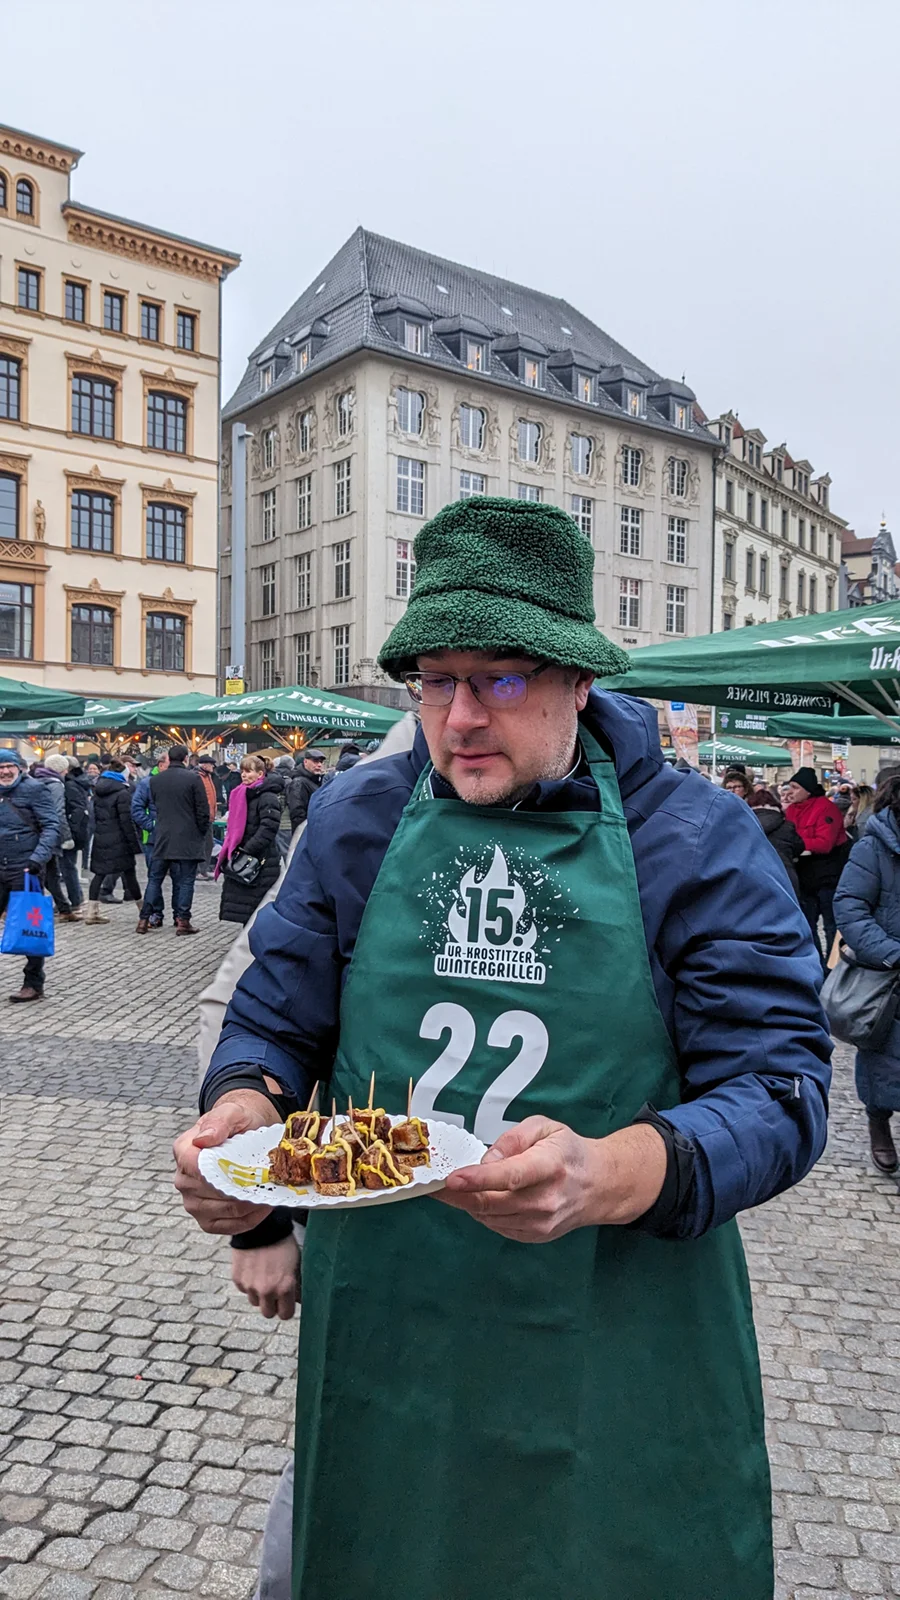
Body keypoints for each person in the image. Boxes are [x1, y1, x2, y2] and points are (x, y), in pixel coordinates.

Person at [174, 497, 832, 1600]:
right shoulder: (359, 818)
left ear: (579, 679)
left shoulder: (694, 841)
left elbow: (781, 1088)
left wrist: (613, 1169)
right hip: (392, 1332)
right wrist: (247, 1107)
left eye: (503, 679)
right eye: (437, 680)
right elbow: (276, 1013)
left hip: (610, 1335)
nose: (461, 716)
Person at [833, 774, 900, 1174]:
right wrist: (892, 953)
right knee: (884, 1060)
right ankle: (879, 1121)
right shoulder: (874, 848)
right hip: (888, 978)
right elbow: (850, 908)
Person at [0, 747, 60, 1002]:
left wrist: (37, 859)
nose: (4, 771)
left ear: (19, 767)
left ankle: (33, 982)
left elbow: (51, 826)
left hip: (25, 868)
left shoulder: (35, 789)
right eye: (0, 768)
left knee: (30, 926)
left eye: (8, 766)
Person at [137, 743, 209, 936]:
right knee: (185, 880)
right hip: (187, 836)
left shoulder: (155, 780)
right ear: (186, 759)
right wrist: (201, 832)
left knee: (154, 879)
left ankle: (144, 919)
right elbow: (203, 810)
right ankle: (183, 921)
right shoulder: (193, 779)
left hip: (161, 835)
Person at [784, 766, 850, 966]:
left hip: (828, 876)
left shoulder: (826, 808)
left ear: (807, 789)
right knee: (807, 926)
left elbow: (825, 843)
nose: (790, 792)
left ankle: (833, 966)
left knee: (831, 926)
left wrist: (800, 845)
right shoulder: (792, 811)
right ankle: (815, 966)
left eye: (795, 787)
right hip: (804, 876)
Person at [216, 755, 284, 926]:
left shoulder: (267, 796)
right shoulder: (241, 794)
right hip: (245, 856)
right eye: (242, 771)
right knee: (247, 908)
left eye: (248, 771)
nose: (244, 775)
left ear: (260, 774)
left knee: (257, 906)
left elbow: (268, 828)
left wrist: (247, 849)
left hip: (259, 860)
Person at [85, 758, 142, 924]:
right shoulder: (122, 793)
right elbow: (126, 821)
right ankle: (143, 911)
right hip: (120, 839)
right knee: (130, 874)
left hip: (101, 837)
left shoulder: (98, 790)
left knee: (99, 874)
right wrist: (134, 845)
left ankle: (91, 912)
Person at [36, 754, 82, 921]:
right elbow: (58, 813)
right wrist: (66, 837)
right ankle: (50, 911)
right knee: (47, 874)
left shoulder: (36, 781)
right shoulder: (56, 785)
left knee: (51, 873)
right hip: (49, 834)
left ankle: (64, 908)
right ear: (62, 770)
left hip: (37, 833)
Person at [746, 787, 804, 896]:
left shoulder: (744, 827)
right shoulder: (787, 826)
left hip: (752, 879)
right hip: (785, 878)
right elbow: (800, 847)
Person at [131, 753, 170, 901]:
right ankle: (155, 912)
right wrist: (150, 825)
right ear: (161, 766)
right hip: (152, 837)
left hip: (172, 836)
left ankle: (179, 916)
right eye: (169, 765)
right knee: (154, 876)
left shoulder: (174, 781)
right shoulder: (147, 783)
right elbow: (136, 808)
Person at [64, 756, 93, 879]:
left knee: (68, 865)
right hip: (81, 825)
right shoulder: (79, 781)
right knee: (70, 864)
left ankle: (76, 896)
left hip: (74, 827)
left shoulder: (70, 784)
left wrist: (71, 827)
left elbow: (78, 808)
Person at [196, 754, 221, 879]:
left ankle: (203, 869)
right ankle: (200, 870)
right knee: (203, 844)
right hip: (202, 817)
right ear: (204, 765)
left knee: (209, 844)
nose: (213, 767)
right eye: (211, 764)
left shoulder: (209, 776)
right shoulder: (198, 777)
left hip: (209, 817)